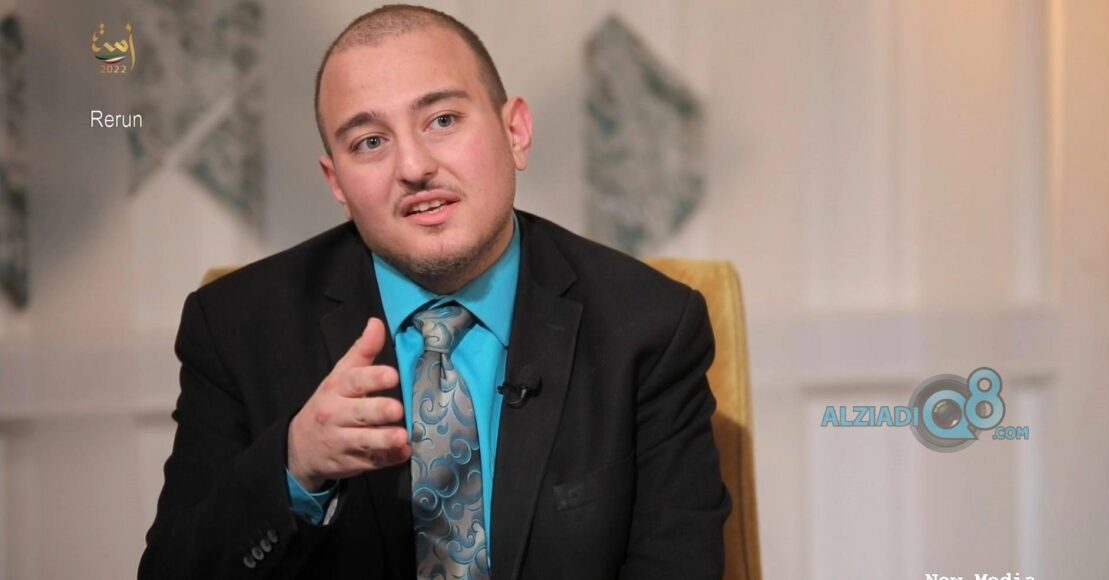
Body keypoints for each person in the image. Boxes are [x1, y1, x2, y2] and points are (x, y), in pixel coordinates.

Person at [139, 4, 730, 579]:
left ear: (516, 132)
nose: (414, 167)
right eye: (370, 142)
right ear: (336, 183)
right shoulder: (237, 328)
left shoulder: (648, 326)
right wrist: (294, 467)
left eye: (442, 120)